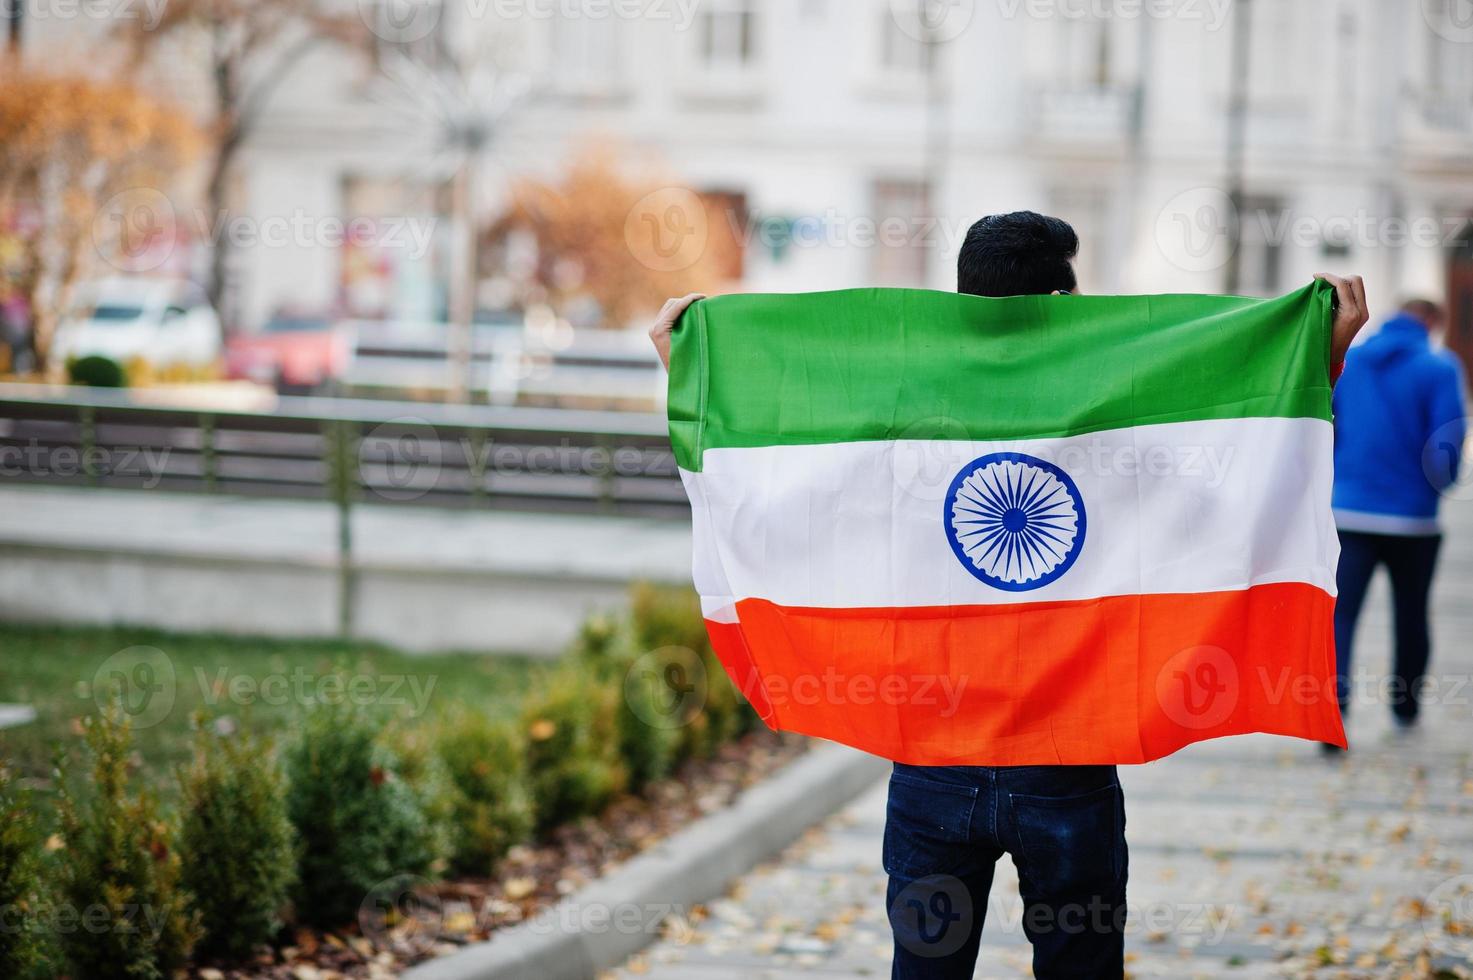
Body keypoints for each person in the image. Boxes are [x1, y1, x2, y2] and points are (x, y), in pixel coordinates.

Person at [648, 211, 1369, 979]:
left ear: (962, 294)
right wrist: (1320, 355)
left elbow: (790, 486)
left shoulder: (900, 397)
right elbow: (1230, 477)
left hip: (932, 765)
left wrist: (685, 359)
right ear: (1061, 300)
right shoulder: (1117, 397)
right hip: (1067, 767)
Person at [1328, 299, 1466, 738]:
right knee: (1410, 613)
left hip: (1348, 512)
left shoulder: (1350, 361)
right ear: (1431, 322)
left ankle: (1334, 707)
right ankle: (1404, 708)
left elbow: (1329, 423)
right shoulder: (1439, 367)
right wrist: (1438, 487)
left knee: (1341, 615)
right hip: (1413, 520)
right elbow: (1447, 439)